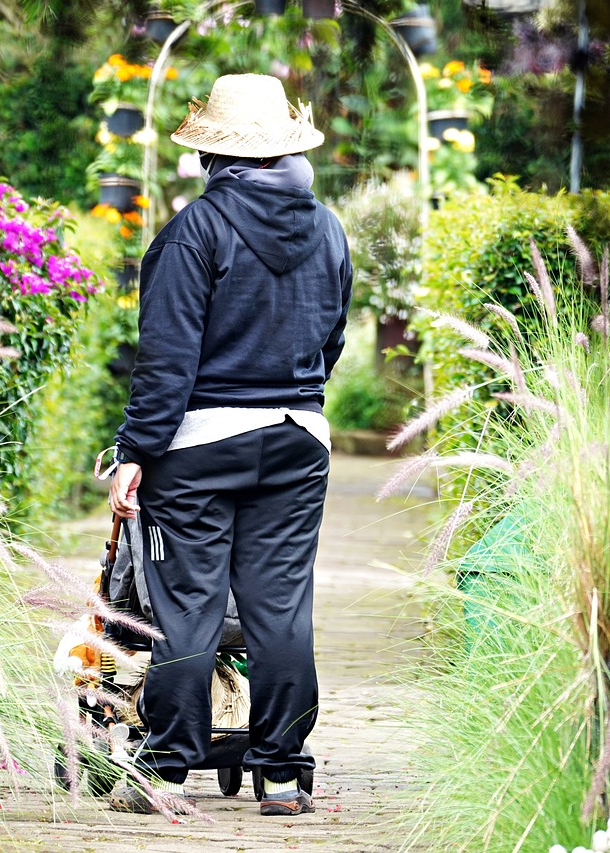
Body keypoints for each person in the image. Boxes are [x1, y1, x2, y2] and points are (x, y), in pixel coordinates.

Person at [106, 73, 353, 818]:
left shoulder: (193, 232)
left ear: (214, 154)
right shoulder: (329, 230)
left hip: (199, 447)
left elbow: (167, 363)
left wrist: (134, 451)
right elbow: (331, 341)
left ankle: (167, 771)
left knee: (188, 607)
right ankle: (281, 775)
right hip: (297, 440)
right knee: (281, 609)